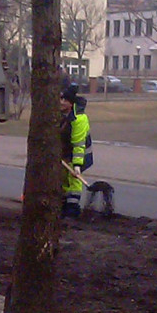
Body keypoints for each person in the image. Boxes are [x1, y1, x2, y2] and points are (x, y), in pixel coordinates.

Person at [60, 84, 93, 218]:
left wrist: (78, 165)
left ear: (71, 103)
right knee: (63, 177)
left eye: (64, 100)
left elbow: (79, 144)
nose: (61, 102)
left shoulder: (79, 119)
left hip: (79, 153)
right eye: (60, 99)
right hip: (65, 152)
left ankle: (73, 207)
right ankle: (64, 204)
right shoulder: (60, 115)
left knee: (74, 178)